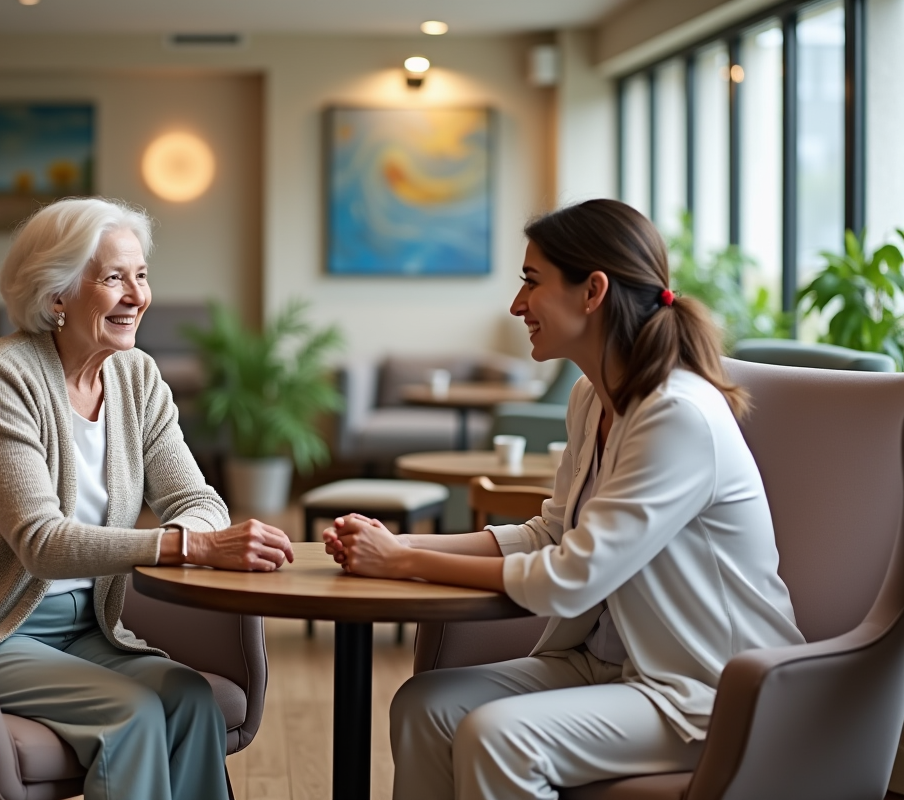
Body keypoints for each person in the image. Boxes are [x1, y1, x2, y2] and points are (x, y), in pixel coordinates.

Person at [323, 199, 804, 800]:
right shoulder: (591, 398)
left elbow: (570, 578)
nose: (516, 304)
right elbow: (551, 535)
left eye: (531, 282)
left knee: (500, 736)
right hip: (610, 665)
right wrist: (404, 541)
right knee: (427, 705)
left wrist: (401, 563)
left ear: (592, 291)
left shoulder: (676, 415)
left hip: (710, 689)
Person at [0, 197, 295, 800]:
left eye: (141, 275)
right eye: (113, 278)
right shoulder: (0, 377)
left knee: (189, 700)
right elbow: (41, 544)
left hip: (91, 624)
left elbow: (196, 496)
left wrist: (200, 534)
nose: (137, 295)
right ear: (56, 294)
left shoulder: (136, 377)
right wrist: (192, 546)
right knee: (128, 715)